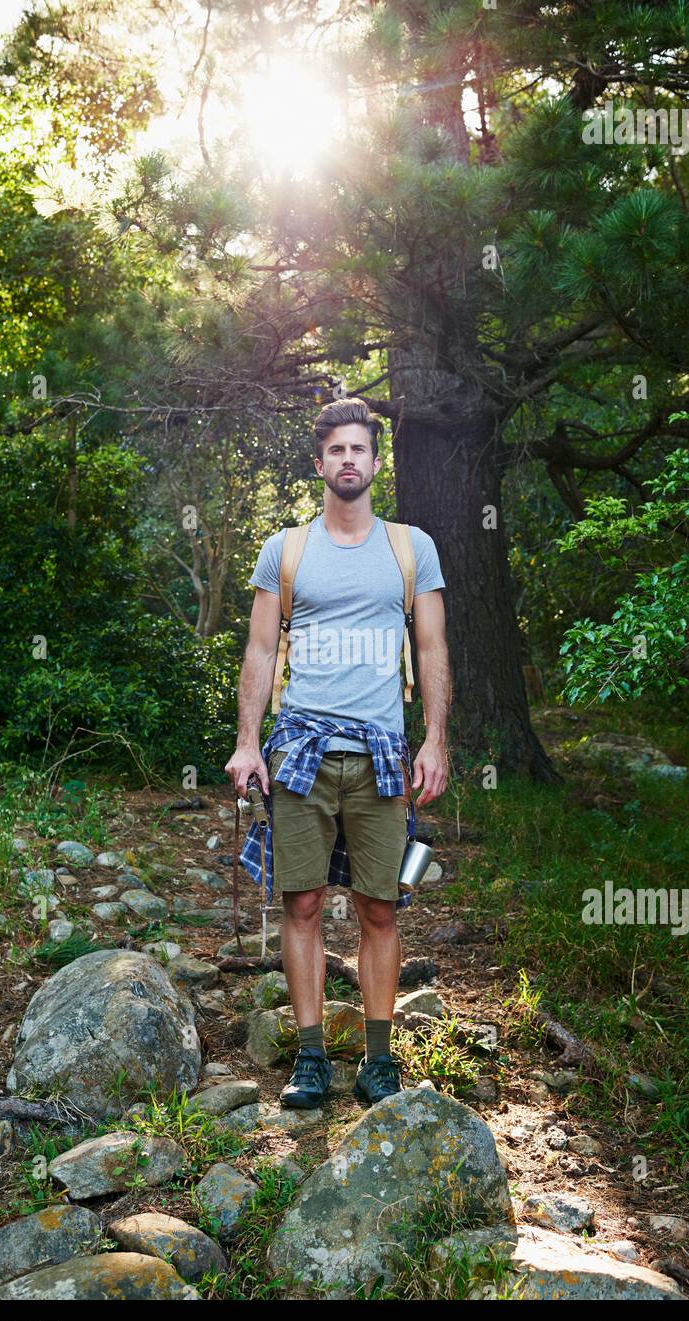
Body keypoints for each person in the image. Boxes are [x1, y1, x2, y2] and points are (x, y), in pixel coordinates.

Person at [225, 396, 451, 1108]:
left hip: (383, 752)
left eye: (360, 449)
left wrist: (436, 739)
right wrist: (245, 743)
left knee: (380, 909)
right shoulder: (286, 550)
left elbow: (433, 647)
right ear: (318, 463)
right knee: (302, 904)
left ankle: (379, 1062)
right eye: (336, 451)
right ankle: (311, 1058)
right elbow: (261, 649)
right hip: (300, 752)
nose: (348, 460)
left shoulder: (410, 548)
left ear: (375, 463)